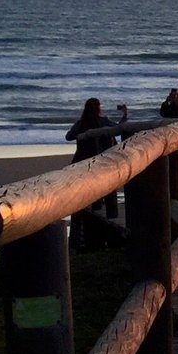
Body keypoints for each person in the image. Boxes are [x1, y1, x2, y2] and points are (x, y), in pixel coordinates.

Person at [65, 98, 117, 250]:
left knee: (85, 189)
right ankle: (103, 207)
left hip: (83, 161)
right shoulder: (104, 121)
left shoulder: (80, 124)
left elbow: (68, 136)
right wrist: (125, 114)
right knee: (105, 185)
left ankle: (90, 207)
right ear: (98, 108)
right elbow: (119, 128)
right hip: (102, 161)